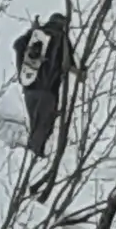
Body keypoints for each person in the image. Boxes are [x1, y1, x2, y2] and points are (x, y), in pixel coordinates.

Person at [17, 13, 70, 160]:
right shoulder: (61, 38)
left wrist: (32, 31)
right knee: (44, 125)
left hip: (29, 89)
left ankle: (32, 156)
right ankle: (33, 156)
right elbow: (68, 63)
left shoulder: (37, 35)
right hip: (48, 90)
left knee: (36, 125)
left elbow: (18, 45)